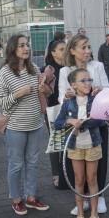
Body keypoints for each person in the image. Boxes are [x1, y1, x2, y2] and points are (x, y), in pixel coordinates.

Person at [0, 35, 51, 216]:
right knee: (16, 164)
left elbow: (46, 93)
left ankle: (31, 197)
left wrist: (44, 89)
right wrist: (18, 94)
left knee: (33, 162)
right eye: (21, 45)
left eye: (27, 45)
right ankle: (16, 199)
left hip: (35, 124)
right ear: (13, 49)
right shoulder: (5, 72)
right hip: (16, 127)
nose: (26, 48)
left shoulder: (33, 68)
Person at [58, 34, 109, 215]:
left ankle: (99, 196)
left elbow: (108, 89)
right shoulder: (65, 71)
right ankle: (82, 199)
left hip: (96, 122)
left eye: (89, 47)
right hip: (75, 125)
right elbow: (60, 97)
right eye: (83, 47)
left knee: (99, 160)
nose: (87, 51)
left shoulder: (97, 66)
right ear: (72, 50)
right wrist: (67, 96)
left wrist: (100, 90)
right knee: (77, 164)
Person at [55, 69, 106, 218]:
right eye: (83, 80)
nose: (88, 83)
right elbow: (58, 123)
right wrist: (70, 121)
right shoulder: (68, 102)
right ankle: (80, 214)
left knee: (92, 179)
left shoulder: (95, 99)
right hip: (75, 146)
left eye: (89, 80)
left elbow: (101, 120)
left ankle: (94, 214)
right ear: (74, 85)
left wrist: (82, 124)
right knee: (79, 179)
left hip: (92, 145)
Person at [43, 38, 68, 189]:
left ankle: (67, 172)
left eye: (66, 48)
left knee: (68, 141)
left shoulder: (69, 66)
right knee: (57, 141)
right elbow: (44, 92)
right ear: (53, 53)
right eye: (61, 49)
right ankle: (56, 174)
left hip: (69, 109)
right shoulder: (49, 69)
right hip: (53, 110)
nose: (65, 51)